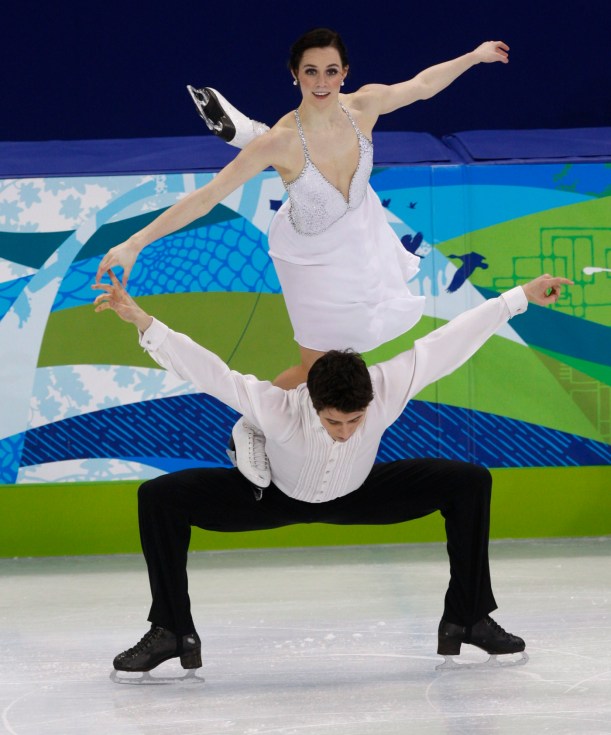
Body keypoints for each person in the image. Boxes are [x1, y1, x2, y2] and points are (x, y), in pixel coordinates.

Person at [93, 269, 570, 675]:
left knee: (468, 482)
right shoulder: (278, 407)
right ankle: (172, 631)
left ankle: (468, 619)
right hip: (271, 496)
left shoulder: (384, 389)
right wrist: (142, 321)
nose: (345, 432)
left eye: (355, 421)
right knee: (159, 497)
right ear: (313, 404)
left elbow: (446, 344)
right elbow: (210, 371)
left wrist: (517, 298)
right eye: (334, 422)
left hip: (359, 493)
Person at [97, 28, 510, 486]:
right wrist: (136, 242)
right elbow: (209, 197)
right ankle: (249, 427)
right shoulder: (282, 141)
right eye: (310, 71)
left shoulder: (363, 106)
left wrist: (473, 56)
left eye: (331, 71)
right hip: (310, 257)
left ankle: (244, 131)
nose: (321, 80)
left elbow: (421, 86)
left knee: (346, 352)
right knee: (317, 369)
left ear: (344, 73)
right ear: (294, 74)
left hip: (358, 234)